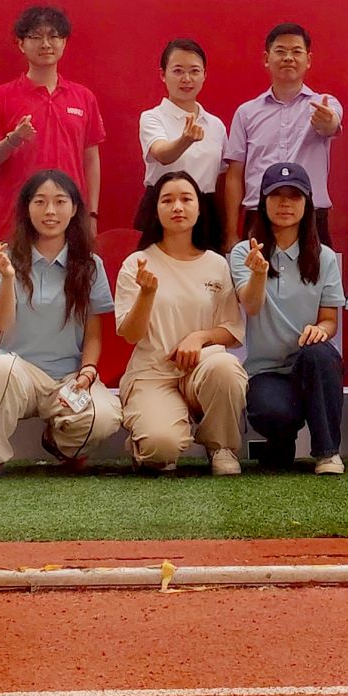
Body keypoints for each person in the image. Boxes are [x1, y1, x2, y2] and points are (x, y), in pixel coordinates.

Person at [0, 169, 119, 478]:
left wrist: (87, 373)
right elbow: (3, 323)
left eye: (60, 201)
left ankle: (59, 442)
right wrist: (8, 278)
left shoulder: (90, 265)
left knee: (103, 418)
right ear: (27, 208)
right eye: (40, 202)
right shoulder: (8, 259)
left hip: (68, 378)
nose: (50, 211)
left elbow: (93, 333)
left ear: (74, 208)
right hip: (18, 373)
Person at [114, 171, 249, 473]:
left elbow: (231, 331)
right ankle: (146, 440)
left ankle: (221, 446)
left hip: (201, 370)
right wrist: (147, 294)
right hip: (153, 374)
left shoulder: (216, 264)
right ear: (155, 209)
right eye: (167, 200)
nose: (177, 207)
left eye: (186, 199)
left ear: (199, 208)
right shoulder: (137, 263)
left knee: (226, 368)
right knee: (161, 450)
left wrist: (199, 338)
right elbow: (130, 334)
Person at [231, 163, 347, 474]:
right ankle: (281, 441)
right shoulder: (243, 252)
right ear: (263, 202)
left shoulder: (323, 256)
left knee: (321, 355)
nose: (285, 203)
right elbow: (251, 306)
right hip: (266, 370)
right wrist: (258, 273)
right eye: (277, 195)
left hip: (309, 363)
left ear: (307, 203)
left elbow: (330, 321)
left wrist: (320, 330)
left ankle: (327, 453)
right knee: (272, 413)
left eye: (294, 196)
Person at [0, 4, 106, 240]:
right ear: (21, 44)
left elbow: (91, 160)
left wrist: (91, 215)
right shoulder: (0, 97)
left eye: (54, 36)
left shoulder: (83, 97)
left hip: (70, 217)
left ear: (64, 42)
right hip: (16, 220)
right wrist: (14, 139)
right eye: (36, 37)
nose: (46, 44)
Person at [222, 23, 341, 247]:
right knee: (256, 271)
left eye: (296, 51)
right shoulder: (246, 112)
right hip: (259, 215)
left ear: (308, 60)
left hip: (310, 215)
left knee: (317, 269)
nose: (288, 58)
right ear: (266, 58)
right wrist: (230, 232)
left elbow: (331, 124)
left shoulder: (324, 104)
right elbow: (234, 175)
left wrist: (327, 121)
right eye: (281, 51)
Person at [138, 37, 228, 215]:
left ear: (204, 75)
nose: (187, 79)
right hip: (164, 205)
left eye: (194, 71)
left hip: (205, 208)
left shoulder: (215, 125)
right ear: (163, 75)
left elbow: (222, 176)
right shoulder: (152, 117)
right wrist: (185, 141)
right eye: (178, 71)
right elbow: (162, 154)